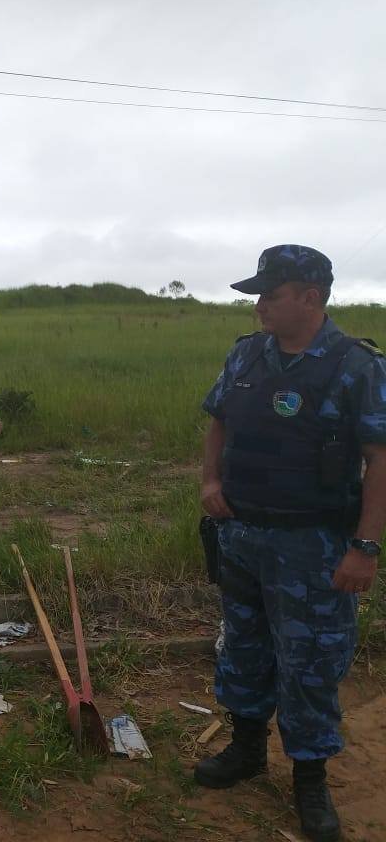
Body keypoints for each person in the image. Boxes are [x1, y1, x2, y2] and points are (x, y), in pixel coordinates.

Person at [198, 244, 386, 842]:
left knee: (309, 665)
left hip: (315, 545)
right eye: (257, 296)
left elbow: (380, 460)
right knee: (245, 647)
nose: (259, 308)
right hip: (244, 534)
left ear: (311, 297)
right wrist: (210, 481)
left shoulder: (356, 366)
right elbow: (220, 420)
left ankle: (310, 779)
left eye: (270, 296)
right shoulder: (247, 355)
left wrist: (366, 546)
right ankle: (247, 748)